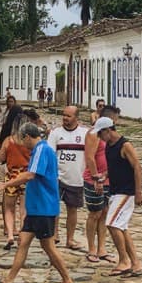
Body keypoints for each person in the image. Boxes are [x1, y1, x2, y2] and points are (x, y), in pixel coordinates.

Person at [0, 122, 75, 283]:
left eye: (23, 139)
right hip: (36, 207)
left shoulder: (41, 150)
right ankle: (9, 281)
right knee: (23, 243)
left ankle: (68, 281)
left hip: (43, 208)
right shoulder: (41, 150)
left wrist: (4, 185)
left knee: (49, 247)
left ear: (28, 137)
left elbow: (30, 175)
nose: (22, 143)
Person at [94, 116, 142, 276]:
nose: (99, 138)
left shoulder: (125, 145)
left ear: (108, 130)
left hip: (126, 191)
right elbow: (115, 166)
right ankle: (135, 262)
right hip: (115, 190)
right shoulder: (109, 145)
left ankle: (124, 261)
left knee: (112, 224)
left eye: (100, 134)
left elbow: (136, 167)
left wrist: (138, 192)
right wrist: (104, 176)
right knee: (121, 226)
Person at [47, 105, 88, 250]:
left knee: (72, 209)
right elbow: (50, 155)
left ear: (76, 117)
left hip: (76, 177)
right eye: (63, 115)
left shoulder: (84, 134)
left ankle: (70, 239)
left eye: (68, 116)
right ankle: (55, 235)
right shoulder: (56, 133)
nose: (65, 118)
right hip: (57, 177)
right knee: (54, 207)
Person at [83, 104, 120, 263]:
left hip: (108, 179)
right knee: (95, 214)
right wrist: (96, 178)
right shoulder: (93, 134)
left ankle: (102, 248)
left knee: (105, 213)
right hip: (94, 179)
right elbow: (90, 157)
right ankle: (91, 248)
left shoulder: (110, 134)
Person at [0, 105, 30, 249]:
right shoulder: (29, 143)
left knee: (9, 208)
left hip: (11, 177)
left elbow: (1, 157)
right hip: (25, 177)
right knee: (24, 209)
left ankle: (10, 234)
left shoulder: (8, 140)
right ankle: (22, 234)